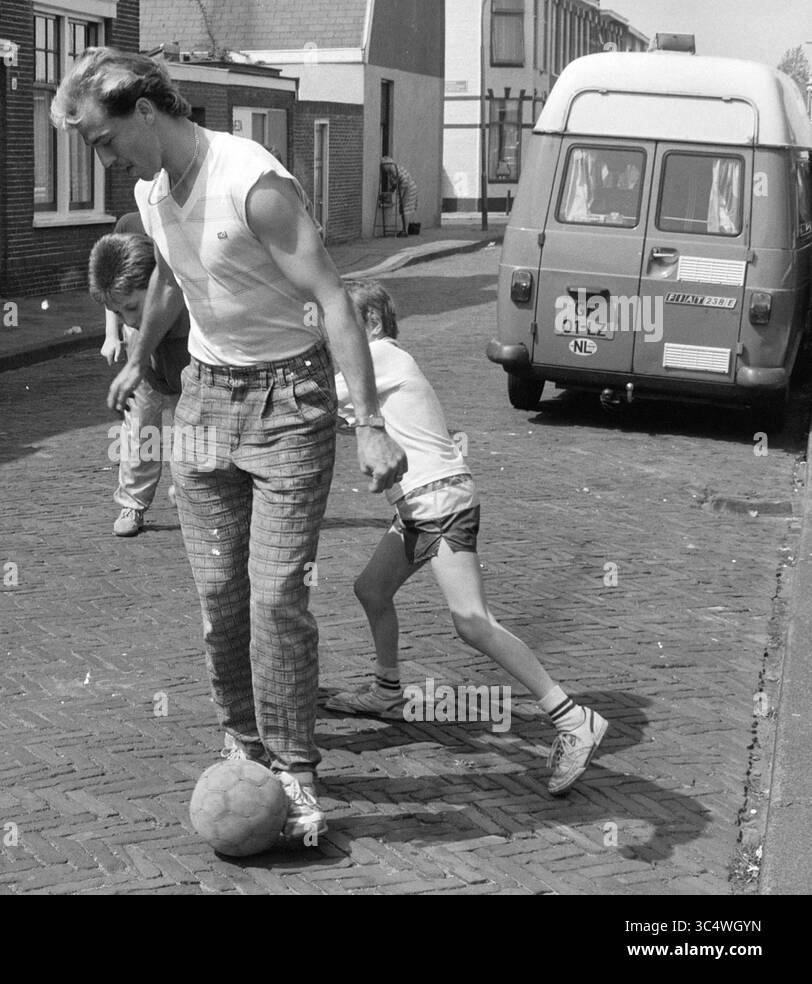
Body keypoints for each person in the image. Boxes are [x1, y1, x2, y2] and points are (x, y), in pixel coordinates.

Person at [52, 47, 408, 841]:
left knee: (278, 596)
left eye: (101, 140)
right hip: (207, 403)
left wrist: (371, 423)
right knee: (220, 600)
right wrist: (141, 359)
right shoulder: (151, 194)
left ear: (144, 111)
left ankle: (294, 769)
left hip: (289, 400)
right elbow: (172, 279)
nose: (103, 160)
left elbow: (333, 299)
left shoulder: (252, 181)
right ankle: (241, 744)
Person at [326, 280, 608, 795]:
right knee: (371, 589)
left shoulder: (383, 357)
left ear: (367, 325)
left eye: (338, 323)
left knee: (473, 623)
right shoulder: (377, 370)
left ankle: (573, 719)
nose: (333, 336)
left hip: (439, 503)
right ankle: (388, 693)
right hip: (419, 506)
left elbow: (320, 400)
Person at [90, 213, 189, 536]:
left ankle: (189, 489)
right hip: (142, 346)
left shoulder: (185, 216)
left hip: (184, 337)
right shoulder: (130, 225)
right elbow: (114, 291)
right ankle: (133, 502)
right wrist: (112, 332)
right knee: (141, 423)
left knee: (190, 422)